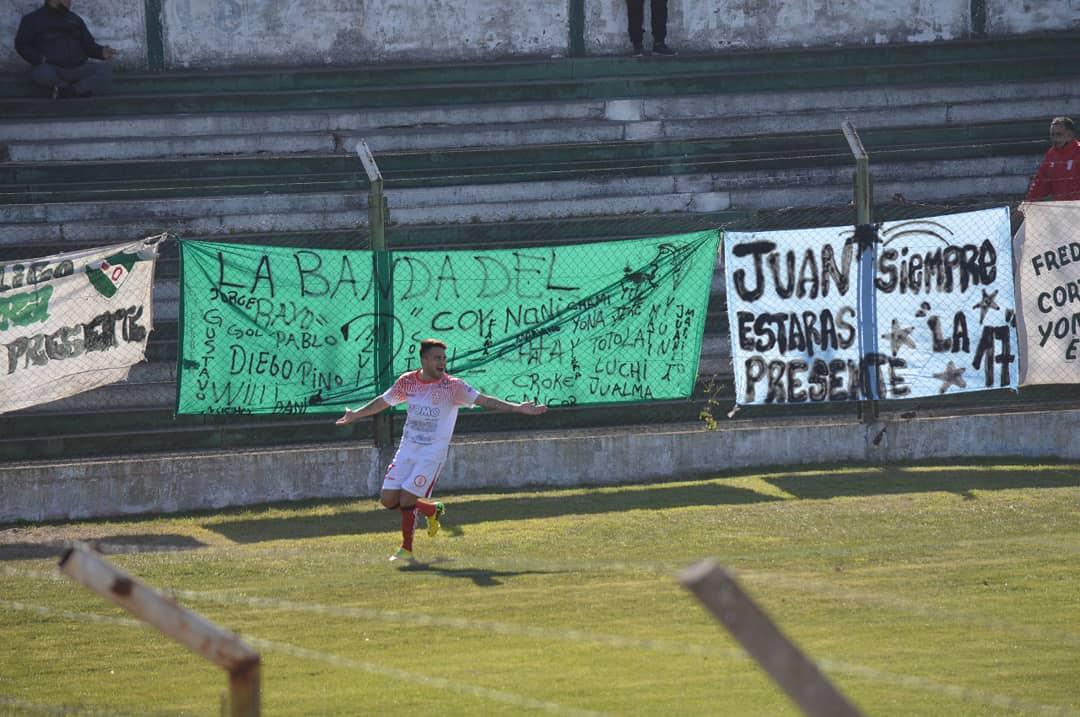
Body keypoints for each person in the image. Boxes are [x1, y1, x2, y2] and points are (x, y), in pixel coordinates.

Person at [336, 338, 548, 563]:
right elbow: (383, 402)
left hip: (432, 454)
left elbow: (485, 400)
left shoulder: (453, 386)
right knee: (388, 499)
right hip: (407, 450)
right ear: (424, 359)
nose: (442, 362)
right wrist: (355, 415)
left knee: (407, 499)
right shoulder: (407, 381)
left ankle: (406, 549)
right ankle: (431, 510)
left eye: (444, 358)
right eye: (437, 358)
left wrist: (517, 408)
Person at [14, 0, 115, 99]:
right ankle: (79, 90)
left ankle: (68, 91)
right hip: (53, 69)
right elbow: (21, 45)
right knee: (40, 73)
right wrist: (39, 59)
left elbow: (88, 45)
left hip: (78, 68)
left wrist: (101, 52)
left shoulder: (75, 19)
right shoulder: (32, 19)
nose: (70, 1)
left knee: (105, 71)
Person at [1025, 116, 1080, 202]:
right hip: (1060, 208)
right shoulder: (1051, 154)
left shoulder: (1078, 151)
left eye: (1059, 134)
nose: (1055, 138)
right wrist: (1028, 203)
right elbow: (1040, 183)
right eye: (1052, 134)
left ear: (1070, 135)